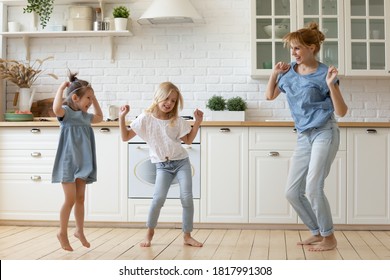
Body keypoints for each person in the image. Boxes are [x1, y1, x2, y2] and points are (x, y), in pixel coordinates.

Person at [264, 22, 348, 251]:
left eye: (298, 48)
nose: (293, 53)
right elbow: (270, 95)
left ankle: (329, 238)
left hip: (324, 132)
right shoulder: (289, 71)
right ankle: (316, 231)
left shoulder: (325, 74)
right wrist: (274, 73)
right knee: (292, 192)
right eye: (292, 48)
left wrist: (332, 86)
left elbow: (341, 112)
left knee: (313, 187)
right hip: (303, 136)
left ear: (312, 48)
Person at [119, 81, 204, 248]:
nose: (169, 103)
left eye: (173, 101)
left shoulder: (176, 120)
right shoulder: (145, 118)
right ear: (157, 97)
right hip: (162, 166)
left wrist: (198, 122)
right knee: (158, 199)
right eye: (166, 99)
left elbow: (188, 140)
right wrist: (121, 118)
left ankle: (187, 236)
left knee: (186, 198)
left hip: (181, 162)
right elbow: (125, 137)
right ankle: (149, 233)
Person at [52, 71, 103, 251]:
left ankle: (79, 230)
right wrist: (60, 89)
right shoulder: (65, 113)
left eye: (91, 98)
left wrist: (94, 98)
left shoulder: (85, 117)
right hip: (68, 162)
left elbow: (100, 117)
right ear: (75, 97)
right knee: (70, 199)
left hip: (84, 163)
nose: (90, 102)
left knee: (80, 198)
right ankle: (62, 232)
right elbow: (56, 109)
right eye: (88, 98)